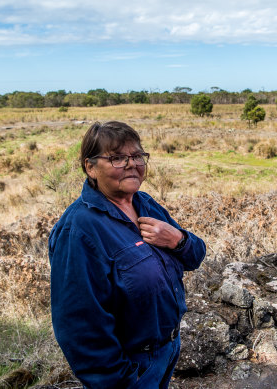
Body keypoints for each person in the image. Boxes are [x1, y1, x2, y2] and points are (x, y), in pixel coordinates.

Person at [48, 121, 206, 388]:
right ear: (90, 167)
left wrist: (178, 239)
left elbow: (195, 257)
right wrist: (121, 381)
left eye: (137, 156)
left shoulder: (145, 203)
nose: (132, 164)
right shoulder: (79, 230)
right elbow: (80, 327)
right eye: (118, 158)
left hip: (167, 350)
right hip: (133, 369)